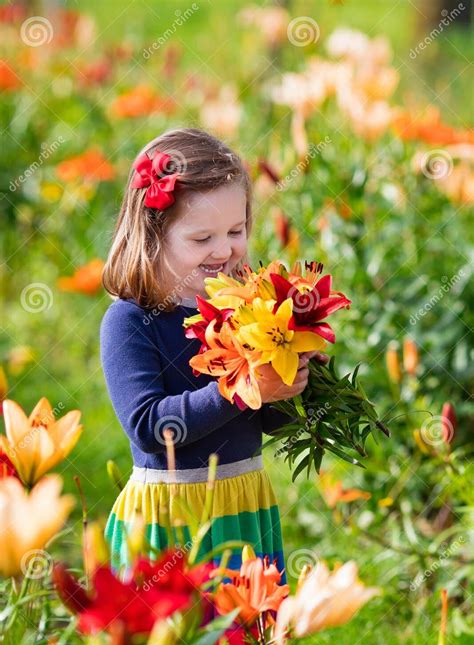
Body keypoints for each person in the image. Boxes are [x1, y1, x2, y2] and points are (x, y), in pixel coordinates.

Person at [100, 127, 323, 579]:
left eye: (236, 231)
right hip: (171, 515)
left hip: (242, 505)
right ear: (153, 236)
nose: (224, 250)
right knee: (180, 641)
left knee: (246, 636)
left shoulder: (244, 307)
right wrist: (241, 389)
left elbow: (269, 419)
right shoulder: (130, 321)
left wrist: (298, 373)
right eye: (202, 239)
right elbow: (151, 427)